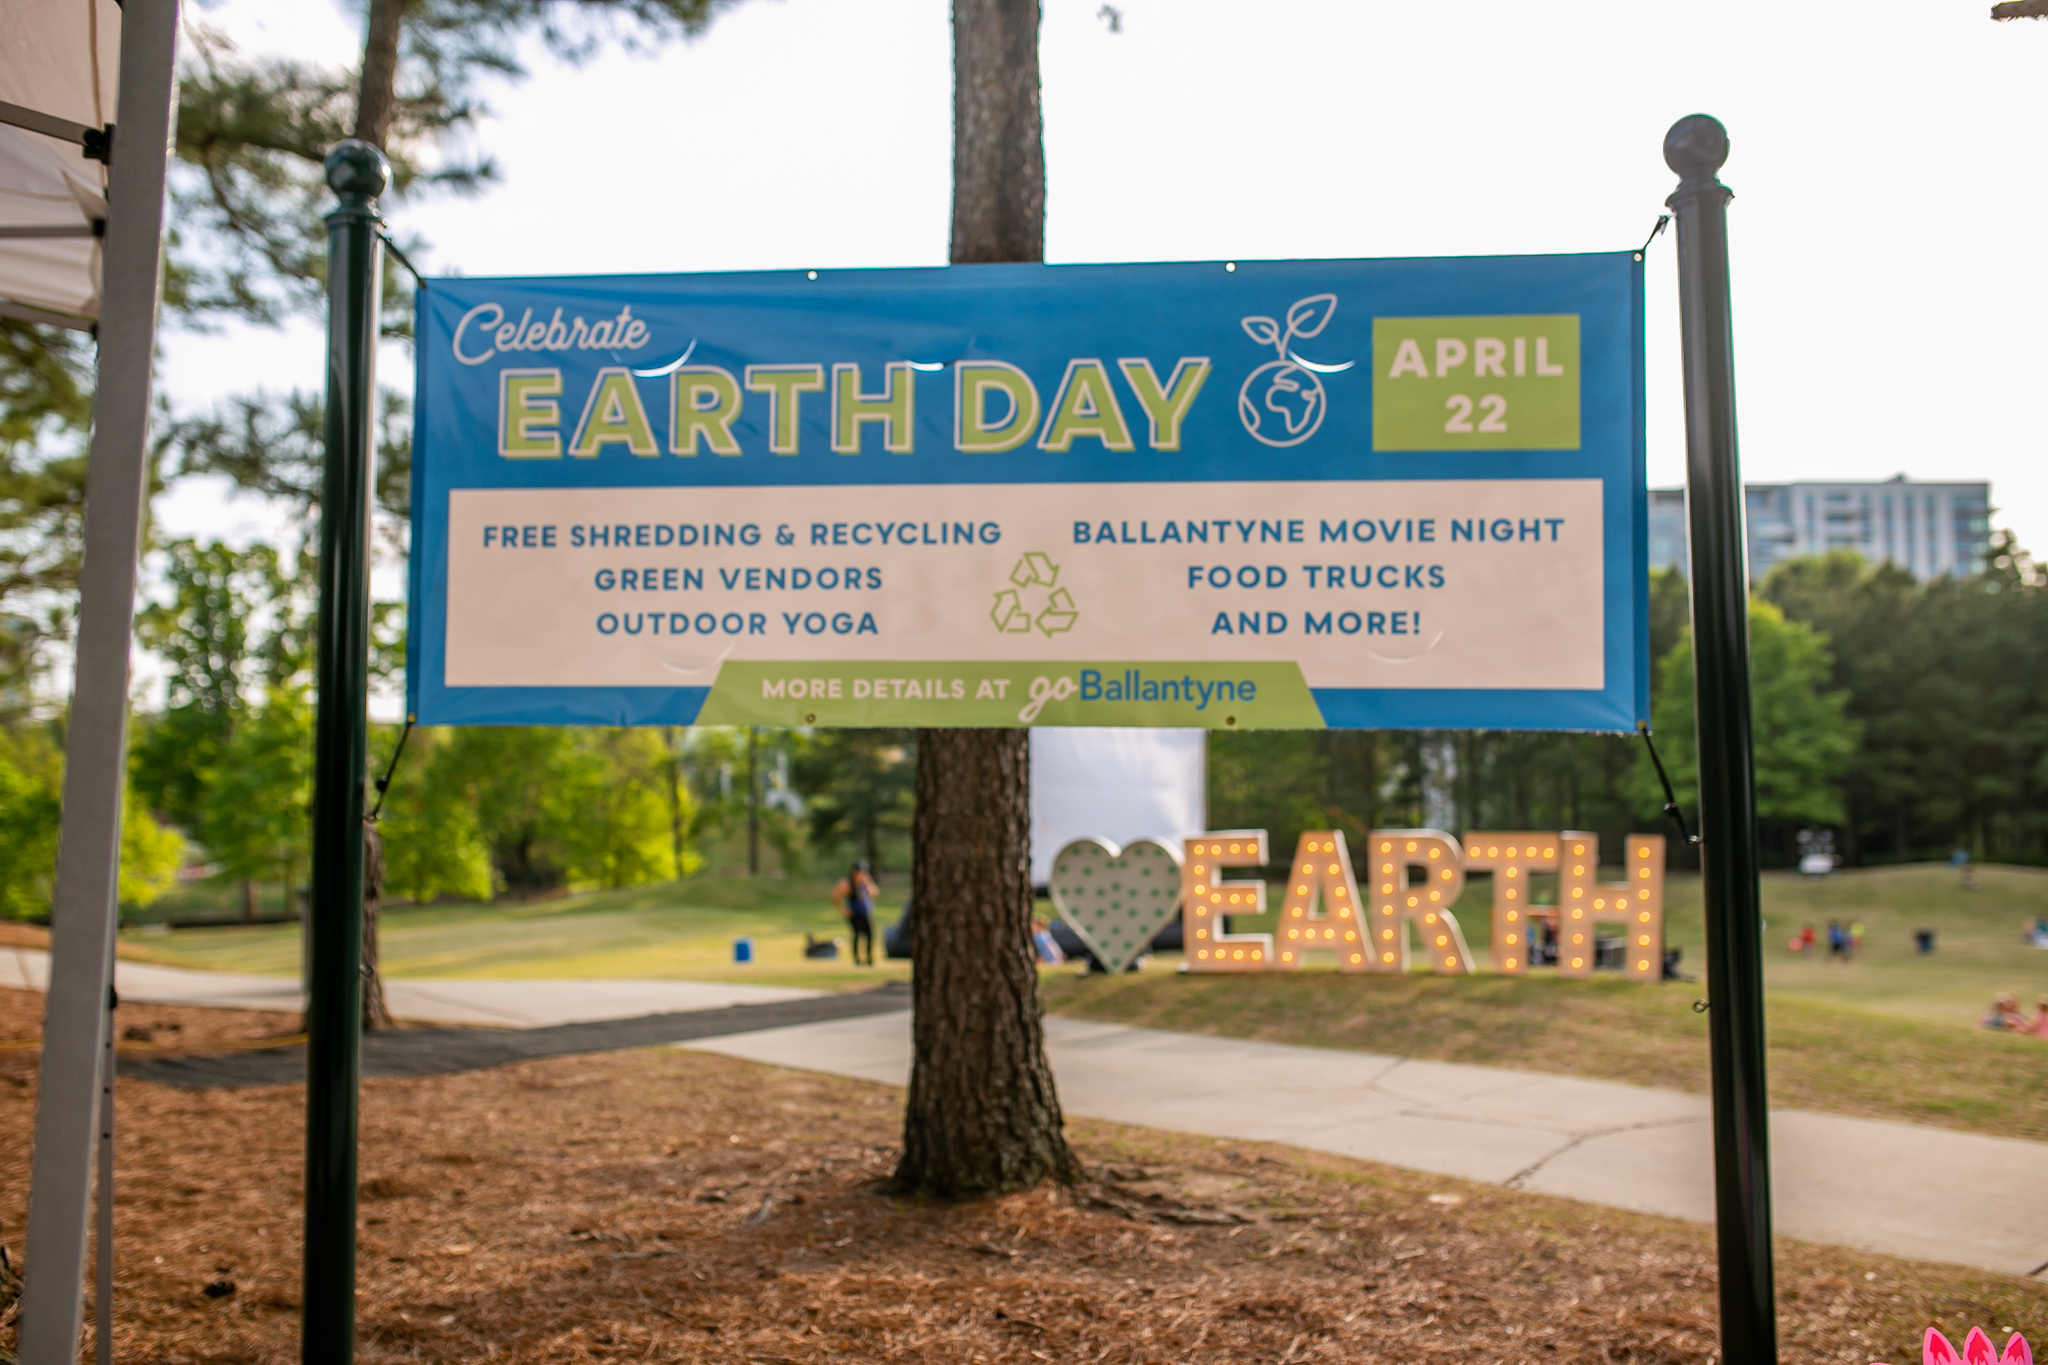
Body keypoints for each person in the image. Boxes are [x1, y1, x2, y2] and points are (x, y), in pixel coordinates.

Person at [832, 861, 878, 966]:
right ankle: (857, 959)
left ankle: (869, 958)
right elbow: (835, 896)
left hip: (866, 913)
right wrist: (844, 910)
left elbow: (874, 894)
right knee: (857, 935)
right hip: (854, 914)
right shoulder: (847, 883)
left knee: (870, 935)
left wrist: (867, 883)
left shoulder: (865, 883)